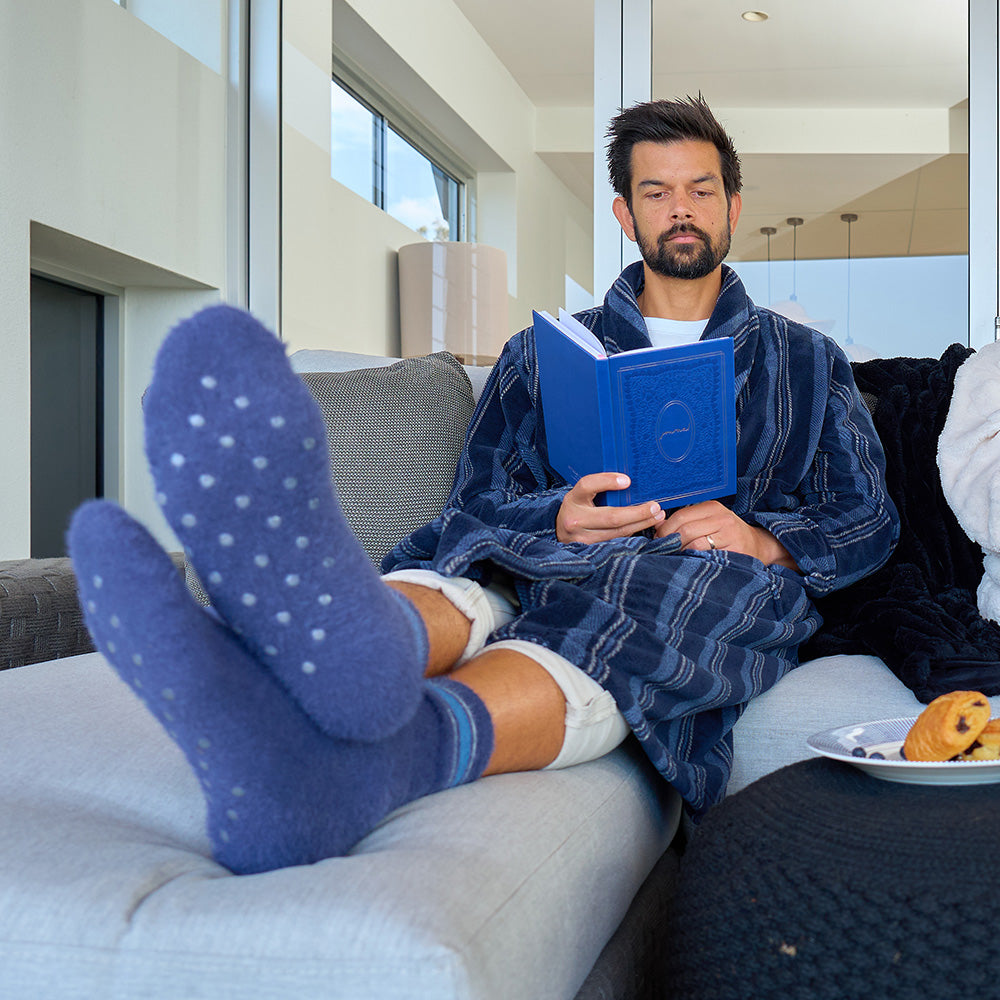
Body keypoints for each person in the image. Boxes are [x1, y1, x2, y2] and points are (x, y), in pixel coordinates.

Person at [68, 96, 899, 876]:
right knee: (470, 570)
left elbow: (869, 515)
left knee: (662, 593)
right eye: (657, 192)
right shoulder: (542, 353)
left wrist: (760, 539)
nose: (681, 208)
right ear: (625, 213)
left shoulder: (805, 360)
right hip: (538, 555)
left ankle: (364, 757)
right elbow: (476, 503)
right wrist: (561, 516)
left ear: (732, 204)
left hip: (710, 577)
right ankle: (310, 655)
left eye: (700, 189)